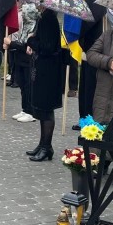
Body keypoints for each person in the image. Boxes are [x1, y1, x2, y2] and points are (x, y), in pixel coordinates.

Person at [22, 8, 67, 161]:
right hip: (44, 69)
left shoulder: (48, 18)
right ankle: (42, 144)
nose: (36, 5)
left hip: (48, 71)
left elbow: (47, 47)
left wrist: (31, 40)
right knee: (42, 109)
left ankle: (47, 147)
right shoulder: (46, 17)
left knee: (46, 109)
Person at [6, 3, 40, 123]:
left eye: (26, 14)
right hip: (20, 59)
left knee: (28, 85)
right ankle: (25, 108)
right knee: (21, 84)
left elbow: (28, 46)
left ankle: (31, 111)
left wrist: (11, 43)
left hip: (29, 61)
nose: (23, 16)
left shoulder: (34, 28)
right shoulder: (24, 28)